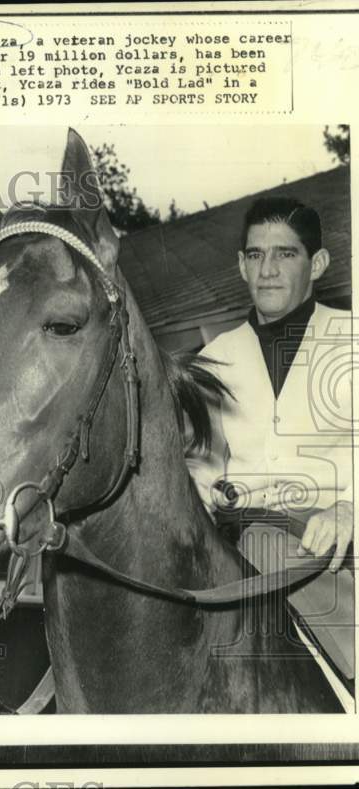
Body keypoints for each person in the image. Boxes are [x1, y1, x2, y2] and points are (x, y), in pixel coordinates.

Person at [188, 196, 354, 701]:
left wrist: (348, 509)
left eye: (285, 254)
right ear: (241, 265)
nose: (267, 269)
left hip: (334, 553)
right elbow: (200, 465)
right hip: (238, 545)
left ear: (318, 264)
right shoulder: (214, 359)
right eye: (255, 255)